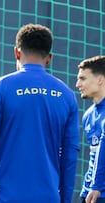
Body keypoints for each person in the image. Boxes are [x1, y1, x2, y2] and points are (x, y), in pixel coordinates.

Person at [0, 23, 80, 203]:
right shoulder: (67, 95)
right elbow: (70, 156)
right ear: (49, 58)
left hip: (6, 197)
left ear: (17, 53)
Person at [76, 55, 105, 203]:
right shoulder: (88, 115)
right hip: (89, 193)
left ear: (100, 79)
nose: (77, 84)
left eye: (83, 78)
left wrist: (98, 186)